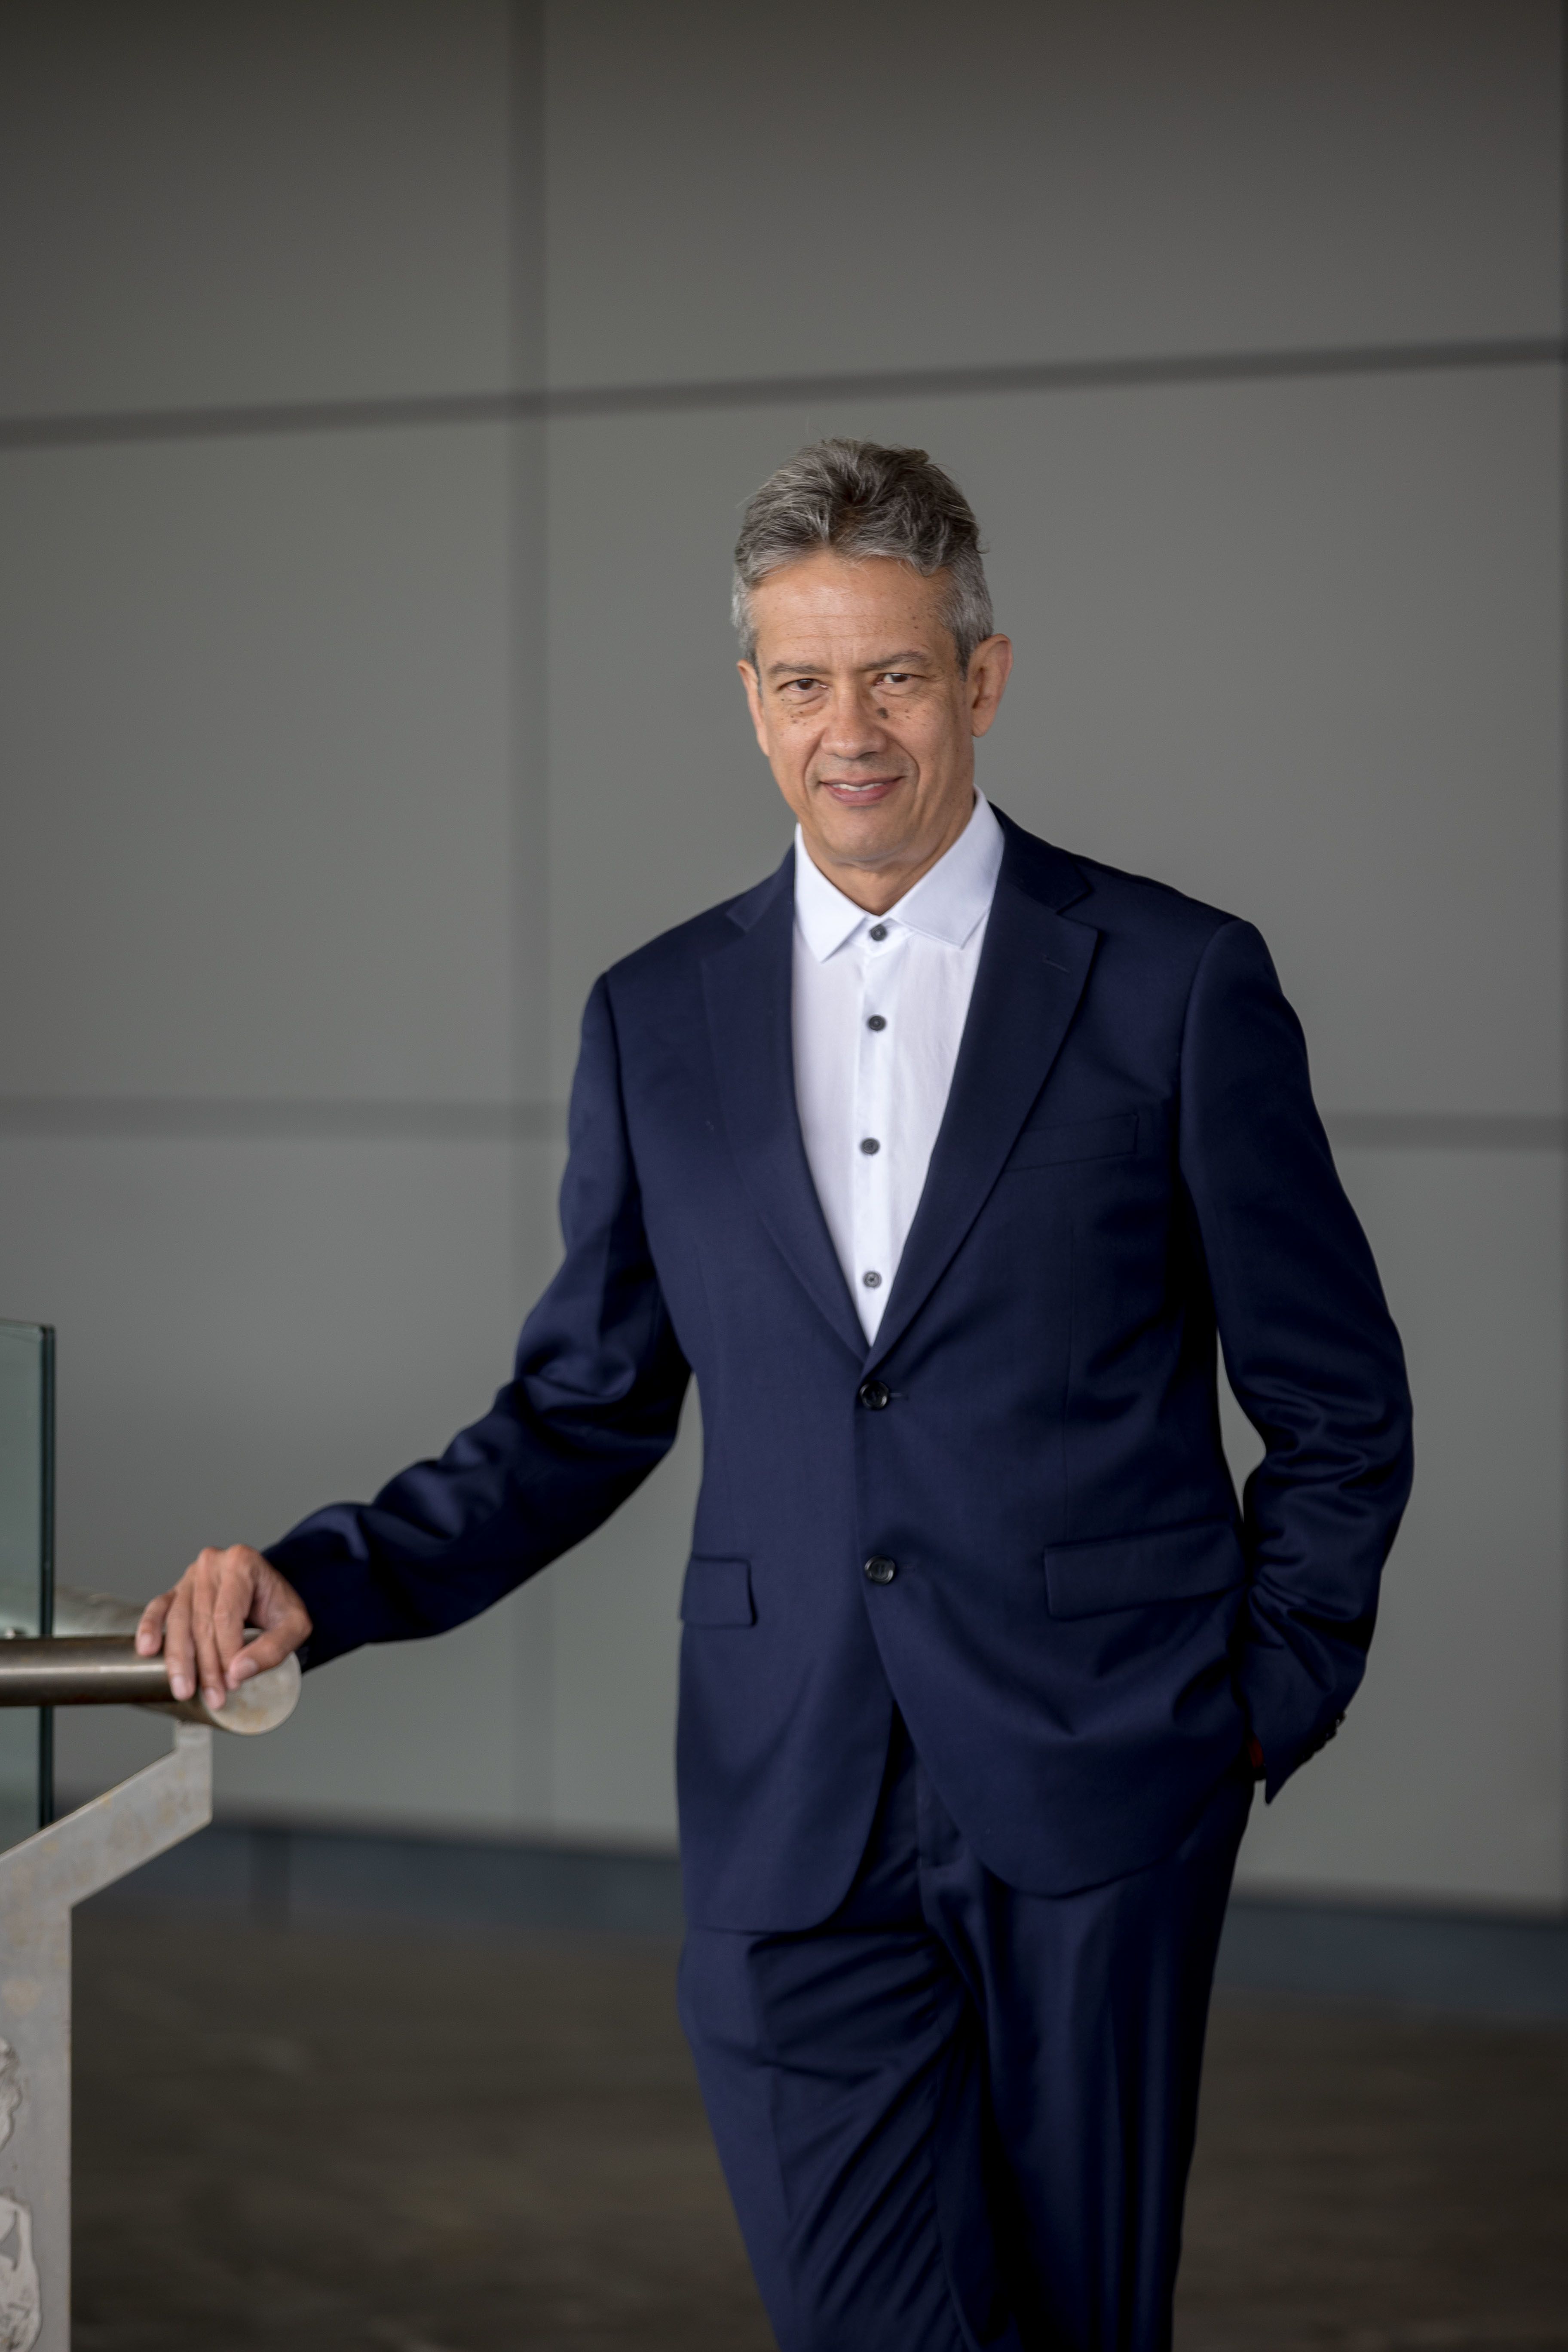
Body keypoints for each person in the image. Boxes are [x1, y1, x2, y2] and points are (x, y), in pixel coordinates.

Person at [138, 440, 1413, 2352]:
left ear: (982, 678)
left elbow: (1338, 1403)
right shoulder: (657, 1018)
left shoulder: (1174, 983)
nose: (854, 729)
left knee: (1076, 2323)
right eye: (804, 682)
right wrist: (333, 1577)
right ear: (749, 701)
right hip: (785, 1795)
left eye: (896, 674)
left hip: (1104, 1783)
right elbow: (579, 1408)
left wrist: (1243, 1726)